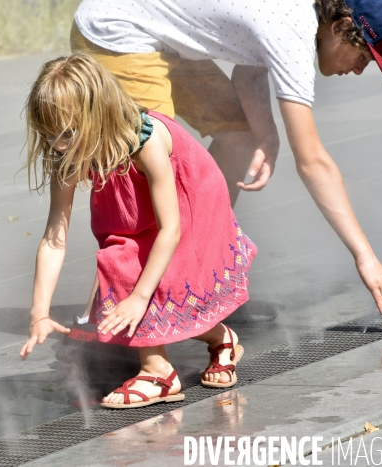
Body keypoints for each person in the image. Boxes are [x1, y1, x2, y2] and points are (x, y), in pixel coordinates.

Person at [71, 0, 382, 323]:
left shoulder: (294, 13)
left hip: (153, 30)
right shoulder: (293, 31)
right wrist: (365, 257)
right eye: (365, 57)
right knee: (151, 180)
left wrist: (265, 137)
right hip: (117, 33)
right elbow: (313, 162)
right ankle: (99, 323)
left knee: (240, 140)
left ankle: (200, 289)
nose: (358, 70)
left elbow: (248, 72)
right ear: (341, 27)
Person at [19, 53, 257, 407]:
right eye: (49, 135)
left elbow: (170, 229)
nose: (58, 145)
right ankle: (222, 338)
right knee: (122, 265)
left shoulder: (145, 140)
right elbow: (55, 236)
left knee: (139, 277)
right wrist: (39, 313)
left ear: (97, 114)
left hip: (190, 201)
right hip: (138, 211)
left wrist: (139, 297)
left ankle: (159, 373)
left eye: (67, 134)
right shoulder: (66, 149)